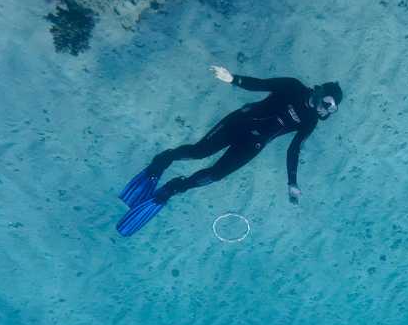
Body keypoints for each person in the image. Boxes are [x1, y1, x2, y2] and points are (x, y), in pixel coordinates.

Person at [116, 65, 343, 236]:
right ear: (320, 90)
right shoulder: (293, 86)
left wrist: (292, 182)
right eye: (327, 103)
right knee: (198, 152)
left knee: (215, 175)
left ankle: (174, 188)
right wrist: (233, 79)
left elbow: (294, 150)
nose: (326, 111)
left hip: (253, 145)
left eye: (331, 110)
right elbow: (261, 84)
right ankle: (162, 161)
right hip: (239, 123)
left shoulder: (311, 121)